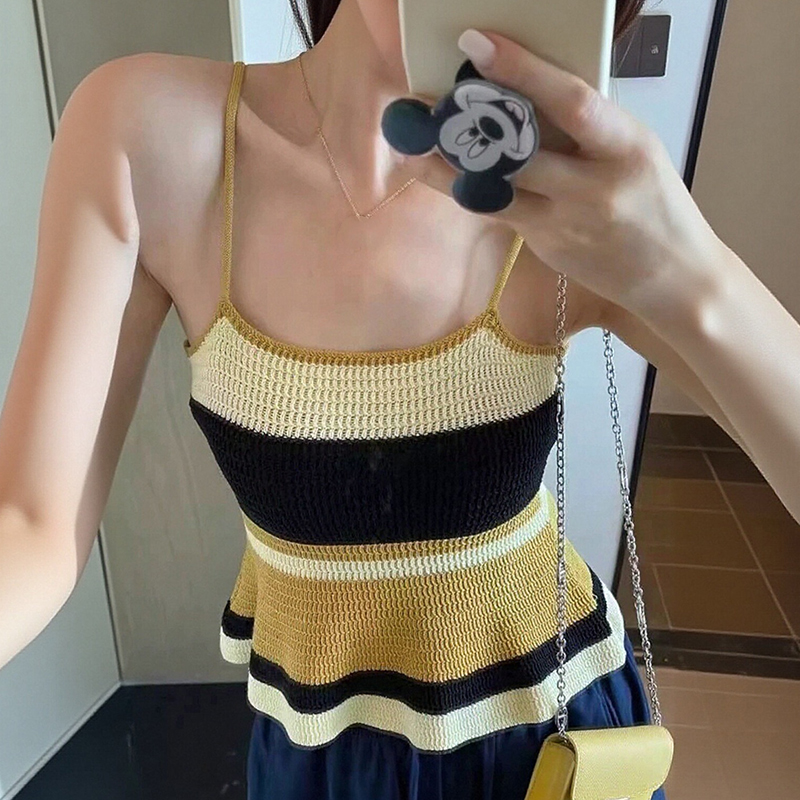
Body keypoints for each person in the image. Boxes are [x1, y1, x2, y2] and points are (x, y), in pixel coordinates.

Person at [1, 0, 799, 798]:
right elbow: (31, 524)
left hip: (548, 746)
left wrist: (687, 269)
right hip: (315, 754)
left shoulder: (571, 199)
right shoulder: (149, 139)